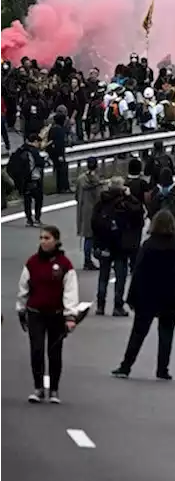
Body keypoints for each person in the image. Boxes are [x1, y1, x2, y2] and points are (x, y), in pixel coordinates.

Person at [112, 210, 175, 380]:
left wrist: (131, 297)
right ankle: (163, 369)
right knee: (166, 334)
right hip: (170, 296)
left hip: (147, 296)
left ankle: (125, 366)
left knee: (138, 333)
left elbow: (138, 272)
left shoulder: (148, 245)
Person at [17, 225, 80, 403]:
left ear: (56, 241)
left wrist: (70, 316)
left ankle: (54, 389)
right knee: (36, 350)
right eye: (41, 238)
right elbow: (24, 287)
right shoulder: (32, 262)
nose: (43, 241)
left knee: (54, 351)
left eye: (47, 238)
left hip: (56, 314)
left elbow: (70, 291)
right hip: (35, 312)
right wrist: (20, 309)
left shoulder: (65, 265)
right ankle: (38, 388)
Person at [91, 176, 144, 317]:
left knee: (103, 275)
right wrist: (130, 196)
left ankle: (100, 305)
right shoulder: (125, 203)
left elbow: (94, 223)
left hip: (104, 245)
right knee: (120, 277)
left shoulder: (101, 202)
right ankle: (117, 305)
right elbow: (139, 213)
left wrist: (96, 243)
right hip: (121, 245)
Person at [6, 131, 46, 227]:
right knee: (38, 200)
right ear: (35, 141)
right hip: (34, 179)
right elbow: (40, 163)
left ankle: (29, 219)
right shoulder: (33, 151)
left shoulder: (20, 150)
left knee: (27, 201)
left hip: (23, 180)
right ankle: (37, 219)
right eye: (38, 142)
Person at [74, 156, 103, 270]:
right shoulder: (97, 181)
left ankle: (87, 260)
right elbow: (99, 197)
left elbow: (76, 195)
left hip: (83, 209)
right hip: (94, 210)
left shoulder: (81, 179)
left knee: (87, 237)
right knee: (95, 236)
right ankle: (96, 258)